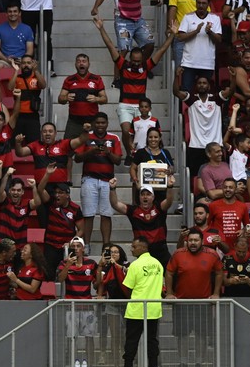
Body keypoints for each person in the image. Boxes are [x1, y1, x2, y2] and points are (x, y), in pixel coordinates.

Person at [93, 15, 175, 164]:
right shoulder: (123, 65)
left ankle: (141, 156)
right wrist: (101, 29)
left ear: (142, 60)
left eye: (139, 61)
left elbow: (162, 50)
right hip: (125, 105)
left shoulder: (146, 66)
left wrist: (173, 35)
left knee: (145, 134)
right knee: (125, 131)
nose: (137, 64)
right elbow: (110, 45)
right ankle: (131, 153)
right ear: (130, 59)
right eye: (134, 61)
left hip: (141, 107)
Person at [166, 228, 224, 366]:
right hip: (182, 302)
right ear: (186, 241)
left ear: (202, 241)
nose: (193, 243)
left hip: (203, 303)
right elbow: (168, 273)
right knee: (182, 335)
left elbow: (219, 273)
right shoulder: (178, 254)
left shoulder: (212, 254)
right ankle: (183, 362)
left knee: (201, 335)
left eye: (196, 240)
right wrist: (169, 293)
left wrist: (216, 293)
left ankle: (199, 362)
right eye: (190, 240)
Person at [75, 112, 123, 250]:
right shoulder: (86, 137)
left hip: (107, 180)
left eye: (103, 122)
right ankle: (87, 245)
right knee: (88, 214)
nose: (100, 125)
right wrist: (90, 152)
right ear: (94, 123)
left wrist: (108, 152)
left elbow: (118, 160)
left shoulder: (114, 138)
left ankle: (106, 246)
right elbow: (77, 158)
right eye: (97, 122)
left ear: (107, 123)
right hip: (89, 179)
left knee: (106, 214)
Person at [173, 72, 233, 177]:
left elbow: (231, 91)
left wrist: (233, 76)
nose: (202, 85)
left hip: (215, 145)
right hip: (196, 145)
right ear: (196, 86)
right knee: (195, 177)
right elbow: (176, 92)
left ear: (208, 86)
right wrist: (177, 76)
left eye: (204, 83)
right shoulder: (192, 99)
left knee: (218, 175)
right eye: (199, 83)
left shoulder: (216, 99)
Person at [109, 177, 176, 268]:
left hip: (161, 250)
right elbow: (115, 204)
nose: (145, 196)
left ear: (153, 197)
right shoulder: (133, 211)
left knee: (170, 274)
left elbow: (169, 201)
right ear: (139, 197)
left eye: (148, 194)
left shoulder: (159, 208)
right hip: (143, 251)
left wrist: (170, 187)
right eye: (142, 194)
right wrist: (112, 189)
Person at [122, 236, 164, 367]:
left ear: (143, 248)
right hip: (153, 309)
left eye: (134, 247)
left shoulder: (135, 265)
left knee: (131, 341)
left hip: (136, 309)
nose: (131, 249)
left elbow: (127, 287)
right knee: (152, 341)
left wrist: (132, 298)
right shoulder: (158, 264)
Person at [57, 237, 99, 367]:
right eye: (73, 246)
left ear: (83, 248)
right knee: (71, 337)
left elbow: (97, 284)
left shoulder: (91, 263)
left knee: (89, 337)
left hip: (87, 306)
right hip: (71, 307)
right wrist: (68, 265)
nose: (76, 248)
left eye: (78, 246)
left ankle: (91, 364)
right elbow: (60, 279)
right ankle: (71, 362)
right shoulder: (64, 263)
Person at [176, 0, 221, 92]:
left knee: (205, 94)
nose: (201, 5)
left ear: (208, 4)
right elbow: (180, 37)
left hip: (207, 63)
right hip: (189, 64)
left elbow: (219, 39)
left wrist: (209, 32)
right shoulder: (188, 17)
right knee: (186, 93)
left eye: (203, 3)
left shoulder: (215, 18)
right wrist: (196, 31)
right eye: (199, 3)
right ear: (196, 3)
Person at [58, 54, 107, 140]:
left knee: (93, 149)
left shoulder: (97, 79)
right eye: (78, 61)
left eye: (84, 61)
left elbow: (105, 99)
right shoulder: (69, 79)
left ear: (88, 64)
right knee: (67, 148)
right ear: (75, 64)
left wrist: (96, 99)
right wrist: (66, 98)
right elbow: (60, 99)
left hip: (92, 122)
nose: (81, 63)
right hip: (74, 122)